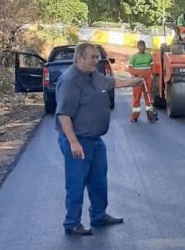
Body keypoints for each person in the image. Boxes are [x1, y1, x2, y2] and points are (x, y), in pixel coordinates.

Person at [55, 42, 143, 236]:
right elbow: (64, 115)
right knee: (76, 184)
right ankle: (72, 223)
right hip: (78, 141)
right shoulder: (70, 80)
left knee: (98, 181)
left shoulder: (92, 75)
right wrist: (73, 142)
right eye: (93, 57)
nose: (96, 60)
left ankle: (98, 215)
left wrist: (131, 82)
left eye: (97, 57)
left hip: (95, 140)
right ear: (79, 59)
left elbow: (109, 83)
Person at [127, 40, 155, 122]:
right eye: (140, 46)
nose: (142, 47)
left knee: (148, 95)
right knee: (137, 96)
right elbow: (130, 69)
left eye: (143, 46)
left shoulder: (149, 56)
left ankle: (150, 114)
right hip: (137, 79)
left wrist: (151, 75)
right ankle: (135, 116)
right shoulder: (134, 57)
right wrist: (137, 74)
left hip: (147, 78)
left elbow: (152, 66)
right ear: (138, 47)